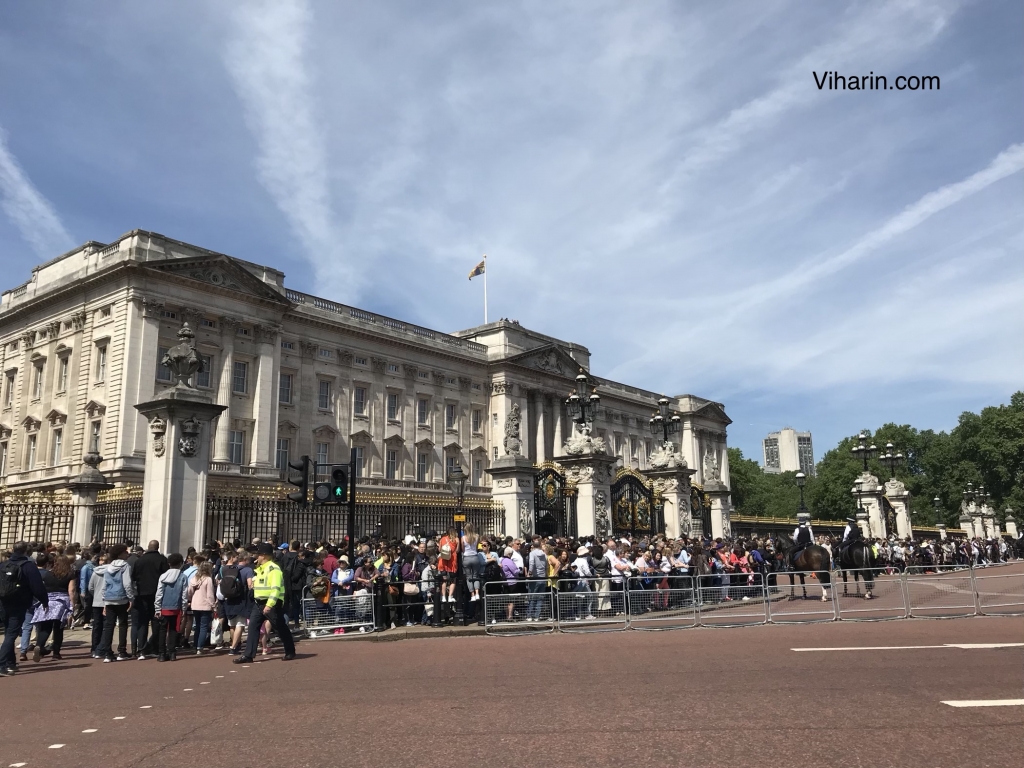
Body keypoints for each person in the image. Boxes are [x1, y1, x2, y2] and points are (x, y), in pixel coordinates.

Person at [235, 543, 295, 664]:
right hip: (259, 603)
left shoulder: (274, 569)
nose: (256, 556)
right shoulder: (260, 569)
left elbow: (275, 589)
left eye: (259, 554)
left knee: (280, 628)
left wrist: (269, 604)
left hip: (271, 604)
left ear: (264, 556)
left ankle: (290, 651)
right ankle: (248, 655)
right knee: (253, 627)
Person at [0, 542, 50, 676]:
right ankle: (1, 664)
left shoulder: (4, 565)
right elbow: (37, 587)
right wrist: (45, 601)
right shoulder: (28, 566)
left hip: (3, 603)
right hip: (19, 603)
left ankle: (10, 663)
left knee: (8, 633)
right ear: (26, 552)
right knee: (11, 634)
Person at [30, 553, 77, 661]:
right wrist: (72, 604)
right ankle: (56, 653)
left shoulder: (48, 574)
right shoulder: (70, 574)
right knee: (58, 629)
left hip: (48, 601)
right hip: (61, 602)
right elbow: (71, 590)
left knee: (46, 627)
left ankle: (39, 645)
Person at [130, 540, 169, 660]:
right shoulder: (162, 560)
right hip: (157, 593)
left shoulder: (139, 560)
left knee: (142, 622)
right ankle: (155, 646)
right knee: (156, 620)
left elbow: (134, 577)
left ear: (148, 547)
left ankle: (141, 648)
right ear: (158, 547)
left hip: (142, 593)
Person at [99, 543, 135, 663]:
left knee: (109, 625)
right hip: (122, 597)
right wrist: (131, 598)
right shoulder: (125, 566)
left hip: (109, 598)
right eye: (125, 552)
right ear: (120, 554)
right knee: (123, 624)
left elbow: (105, 585)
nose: (127, 554)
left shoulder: (108, 567)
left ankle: (108, 653)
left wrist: (104, 600)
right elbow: (127, 583)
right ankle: (122, 651)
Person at [154, 553, 188, 662]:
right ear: (180, 563)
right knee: (173, 629)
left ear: (169, 563)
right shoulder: (183, 576)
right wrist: (184, 608)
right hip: (176, 606)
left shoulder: (163, 576)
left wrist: (157, 607)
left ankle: (161, 654)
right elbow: (184, 594)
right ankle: (172, 653)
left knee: (162, 630)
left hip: (164, 606)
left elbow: (159, 593)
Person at [186, 561, 217, 655]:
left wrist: (191, 599)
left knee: (198, 626)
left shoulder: (194, 578)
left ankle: (195, 645)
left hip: (195, 605)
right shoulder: (208, 579)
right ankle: (200, 647)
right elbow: (210, 595)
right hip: (205, 605)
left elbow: (189, 592)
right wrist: (213, 606)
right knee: (203, 626)